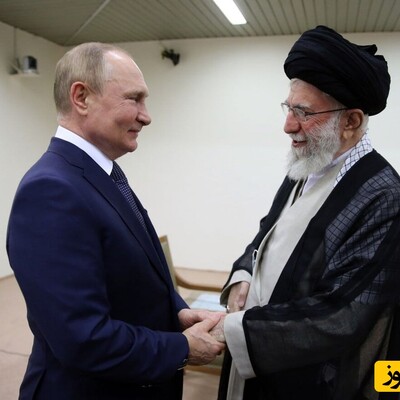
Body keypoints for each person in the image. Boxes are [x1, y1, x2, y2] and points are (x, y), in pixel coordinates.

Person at [6, 42, 225, 400]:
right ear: (81, 97)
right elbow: (82, 338)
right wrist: (182, 348)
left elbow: (131, 279)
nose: (146, 116)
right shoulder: (51, 190)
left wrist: (178, 314)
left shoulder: (101, 173)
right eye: (134, 99)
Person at [211, 26, 400, 400]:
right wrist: (243, 274)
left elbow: (342, 315)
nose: (288, 126)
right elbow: (267, 234)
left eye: (304, 112)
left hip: (311, 381)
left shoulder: (383, 195)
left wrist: (231, 331)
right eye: (288, 108)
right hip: (256, 351)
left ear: (351, 121)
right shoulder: (307, 164)